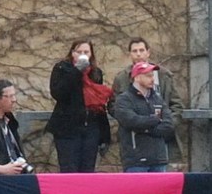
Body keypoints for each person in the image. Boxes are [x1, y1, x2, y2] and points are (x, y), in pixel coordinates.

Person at [112, 37, 184, 165]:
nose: (138, 54)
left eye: (141, 50)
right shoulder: (121, 78)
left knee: (163, 178)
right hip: (135, 138)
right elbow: (115, 107)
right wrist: (135, 123)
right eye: (135, 51)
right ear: (130, 54)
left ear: (148, 52)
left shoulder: (164, 75)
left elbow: (176, 105)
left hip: (162, 137)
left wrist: (167, 125)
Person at [47, 39, 112, 173]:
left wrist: (104, 135)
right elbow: (58, 93)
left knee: (88, 170)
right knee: (69, 169)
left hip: (90, 128)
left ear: (91, 54)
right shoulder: (62, 69)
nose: (82, 54)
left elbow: (98, 104)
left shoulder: (95, 72)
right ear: (72, 53)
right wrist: (77, 71)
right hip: (68, 129)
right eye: (79, 52)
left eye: (86, 52)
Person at [114, 62, 176, 172]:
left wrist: (145, 128)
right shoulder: (124, 99)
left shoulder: (157, 99)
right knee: (136, 189)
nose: (152, 79)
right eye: (148, 76)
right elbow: (131, 121)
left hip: (159, 159)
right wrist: (155, 120)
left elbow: (169, 125)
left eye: (152, 75)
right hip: (136, 160)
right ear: (137, 77)